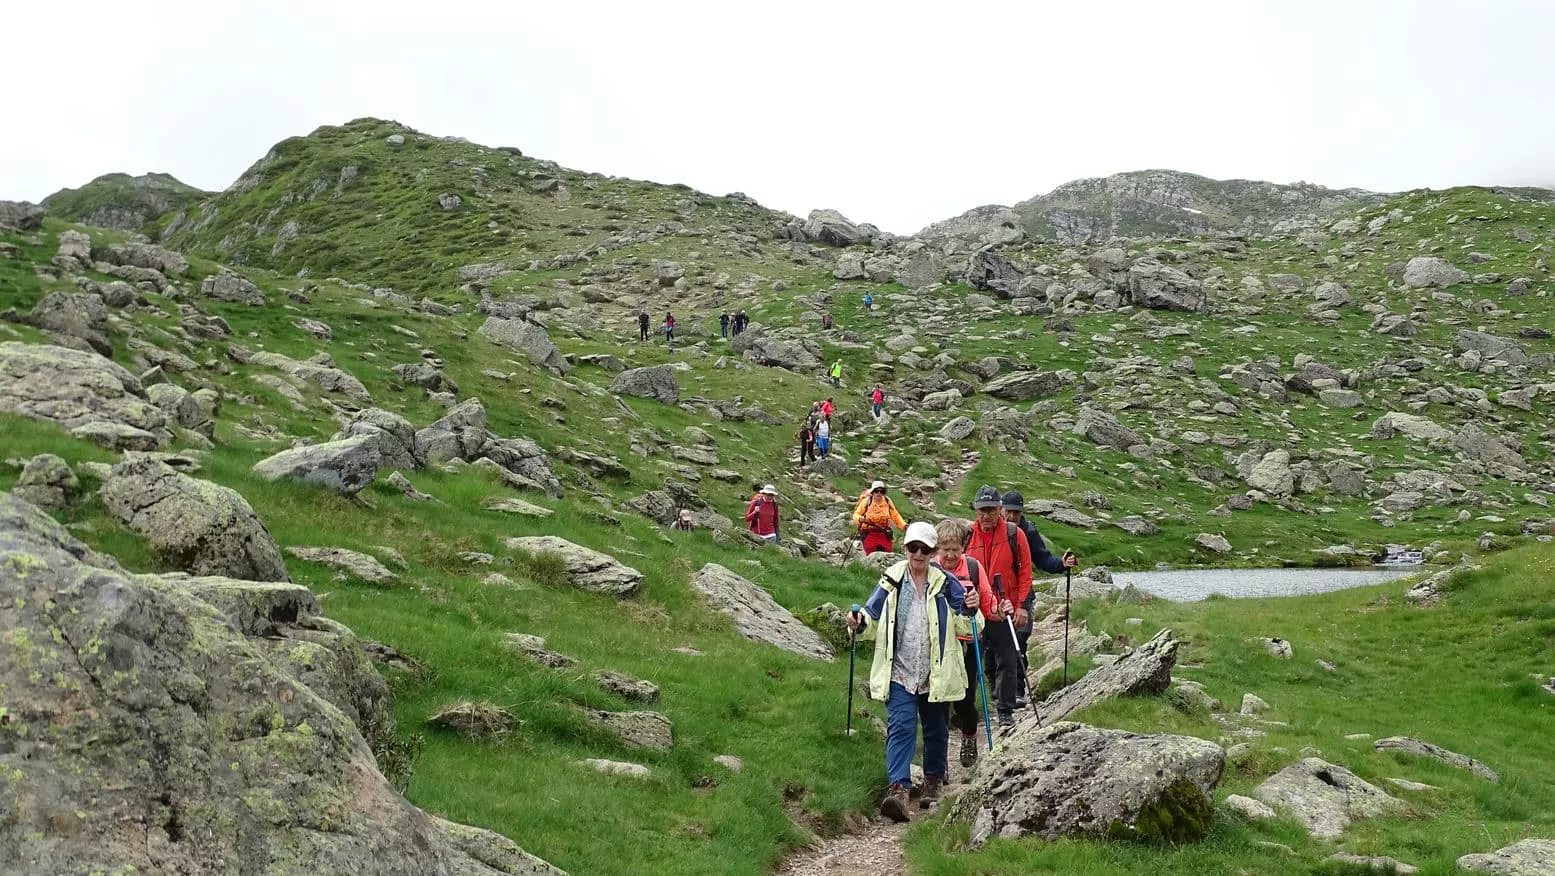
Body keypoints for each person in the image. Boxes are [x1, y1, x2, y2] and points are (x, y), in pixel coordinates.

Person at [847, 521, 972, 821]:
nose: (918, 554)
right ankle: (898, 790)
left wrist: (972, 609)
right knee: (901, 727)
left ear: (933, 552)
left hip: (935, 672)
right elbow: (871, 615)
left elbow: (967, 625)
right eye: (913, 548)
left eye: (925, 549)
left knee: (936, 728)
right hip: (900, 671)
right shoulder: (892, 580)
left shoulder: (945, 583)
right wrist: (858, 622)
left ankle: (933, 782)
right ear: (905, 548)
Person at [1002, 490, 1079, 705]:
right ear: (1001, 510)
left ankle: (1016, 692)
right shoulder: (994, 530)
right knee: (997, 644)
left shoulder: (1028, 531)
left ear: (1021, 512)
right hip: (997, 594)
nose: (1010, 517)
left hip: (1023, 595)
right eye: (1007, 512)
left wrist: (1062, 564)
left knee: (1019, 641)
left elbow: (1043, 560)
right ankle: (998, 693)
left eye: (1015, 513)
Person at [966, 485, 1032, 728]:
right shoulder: (967, 535)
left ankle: (1005, 709)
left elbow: (1025, 573)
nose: (986, 515)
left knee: (1007, 659)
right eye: (982, 510)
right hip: (975, 610)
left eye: (991, 510)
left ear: (1000, 509)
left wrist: (1022, 606)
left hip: (1004, 608)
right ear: (976, 509)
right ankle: (967, 710)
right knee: (972, 663)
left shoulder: (1015, 534)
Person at [933, 517, 997, 768]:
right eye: (944, 548)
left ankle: (970, 736)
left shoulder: (972, 567)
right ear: (937, 548)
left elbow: (987, 599)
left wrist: (998, 609)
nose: (949, 555)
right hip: (937, 644)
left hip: (968, 642)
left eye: (955, 549)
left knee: (964, 699)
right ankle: (937, 761)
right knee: (936, 702)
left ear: (963, 547)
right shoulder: (932, 569)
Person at [852, 480, 907, 555]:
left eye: (882, 491)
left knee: (887, 554)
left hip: (884, 533)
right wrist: (859, 518)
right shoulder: (866, 501)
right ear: (872, 492)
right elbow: (856, 514)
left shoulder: (887, 501)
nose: (879, 493)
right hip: (869, 533)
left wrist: (904, 526)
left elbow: (895, 515)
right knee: (871, 554)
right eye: (876, 491)